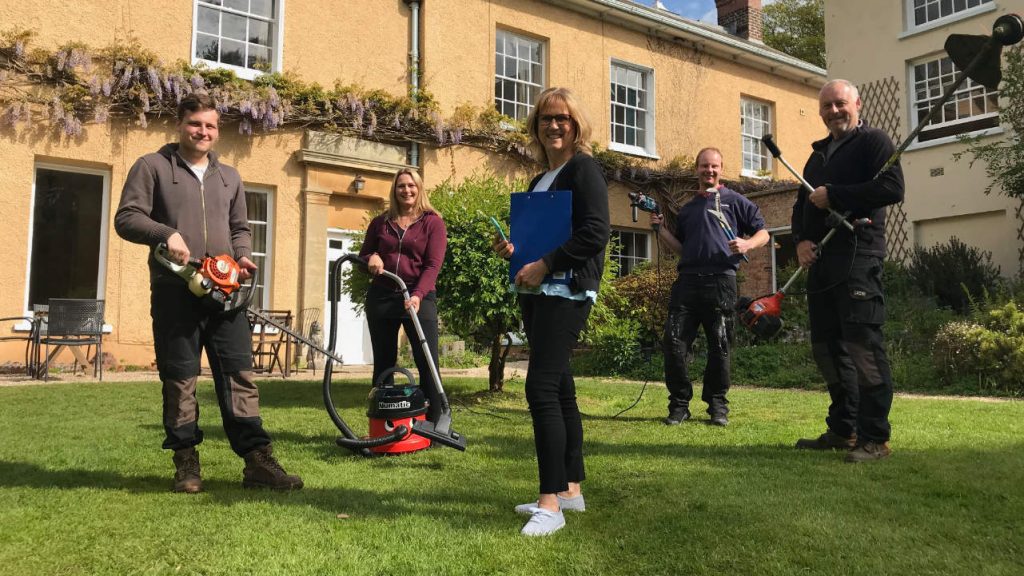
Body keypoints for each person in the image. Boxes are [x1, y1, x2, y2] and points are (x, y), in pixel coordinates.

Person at [115, 92, 302, 493]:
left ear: (217, 131)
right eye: (195, 124)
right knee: (180, 378)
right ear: (180, 125)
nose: (203, 132)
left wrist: (243, 256)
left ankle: (257, 461)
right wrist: (166, 234)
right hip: (174, 291)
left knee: (240, 377)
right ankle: (186, 464)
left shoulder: (229, 177)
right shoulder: (152, 167)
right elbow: (127, 218)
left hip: (226, 294)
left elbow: (240, 228)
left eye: (210, 126)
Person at [493, 87, 609, 537]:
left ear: (575, 125)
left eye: (562, 118)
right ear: (536, 127)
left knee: (540, 388)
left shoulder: (584, 169)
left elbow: (596, 231)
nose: (553, 126)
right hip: (538, 292)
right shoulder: (540, 179)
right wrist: (515, 251)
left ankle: (549, 503)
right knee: (560, 388)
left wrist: (547, 264)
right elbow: (541, 242)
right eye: (545, 119)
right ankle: (570, 491)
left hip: (567, 292)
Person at [792, 79, 904, 463]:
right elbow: (801, 203)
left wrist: (836, 194)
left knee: (863, 348)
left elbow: (891, 187)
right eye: (827, 107)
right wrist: (801, 241)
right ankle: (845, 428)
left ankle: (875, 438)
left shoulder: (874, 142)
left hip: (858, 256)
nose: (834, 112)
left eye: (840, 104)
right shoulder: (817, 156)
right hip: (821, 262)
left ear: (857, 103)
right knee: (827, 348)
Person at [650, 148, 769, 427]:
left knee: (720, 345)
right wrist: (661, 230)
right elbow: (682, 249)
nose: (709, 171)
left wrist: (747, 244)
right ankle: (679, 405)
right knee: (674, 342)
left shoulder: (736, 202)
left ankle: (717, 406)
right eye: (705, 166)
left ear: (721, 168)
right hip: (688, 282)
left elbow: (763, 232)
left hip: (721, 281)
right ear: (697, 169)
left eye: (714, 166)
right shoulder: (688, 209)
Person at [358, 169, 447, 422]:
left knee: (427, 361)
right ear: (394, 190)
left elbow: (432, 265)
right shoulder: (381, 223)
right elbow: (363, 256)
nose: (406, 190)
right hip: (383, 296)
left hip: (419, 298)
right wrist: (371, 258)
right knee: (384, 363)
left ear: (419, 189)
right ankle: (383, 422)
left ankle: (435, 424)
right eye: (401, 186)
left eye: (411, 186)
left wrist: (418, 295)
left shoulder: (432, 222)